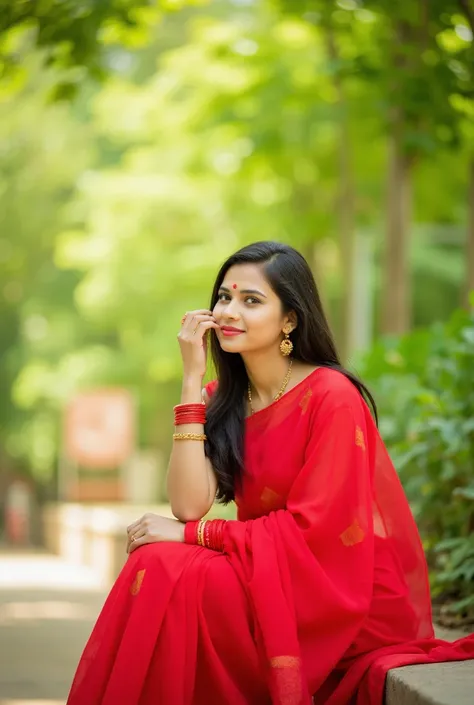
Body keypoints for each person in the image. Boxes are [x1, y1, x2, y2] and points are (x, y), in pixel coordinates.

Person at [67, 241, 474, 705]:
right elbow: (187, 505)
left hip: (338, 590)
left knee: (163, 564)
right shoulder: (224, 398)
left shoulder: (330, 396)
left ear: (290, 320)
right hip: (268, 569)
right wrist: (190, 384)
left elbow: (313, 529)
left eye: (250, 300)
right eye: (223, 297)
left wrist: (190, 535)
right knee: (155, 564)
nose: (228, 311)